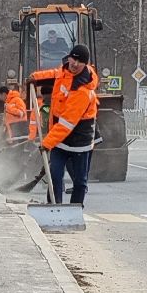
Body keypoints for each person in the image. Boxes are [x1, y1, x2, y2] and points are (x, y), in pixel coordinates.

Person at [31, 44, 98, 204]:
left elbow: (67, 123)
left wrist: (47, 143)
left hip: (79, 141)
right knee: (54, 175)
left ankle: (75, 208)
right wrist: (36, 77)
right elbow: (55, 74)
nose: (75, 64)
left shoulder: (82, 90)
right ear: (69, 58)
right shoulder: (64, 71)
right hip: (60, 140)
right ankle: (54, 206)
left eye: (80, 62)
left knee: (80, 181)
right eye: (73, 59)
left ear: (85, 64)